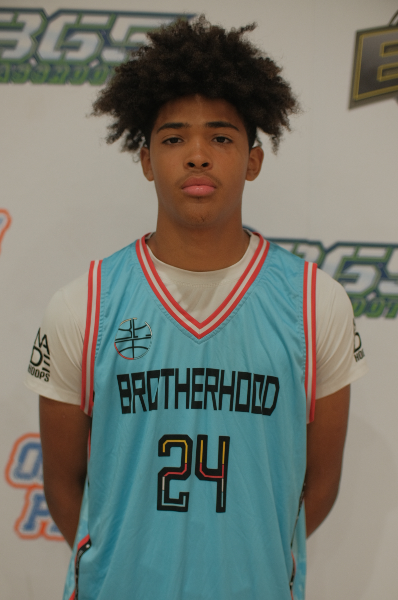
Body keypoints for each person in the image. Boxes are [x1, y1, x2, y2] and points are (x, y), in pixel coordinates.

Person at [25, 16, 368, 600]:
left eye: (222, 138)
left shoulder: (316, 303)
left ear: (254, 160)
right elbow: (62, 484)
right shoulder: (84, 303)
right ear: (145, 159)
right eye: (174, 138)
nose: (198, 156)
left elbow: (321, 482)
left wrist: (245, 564)